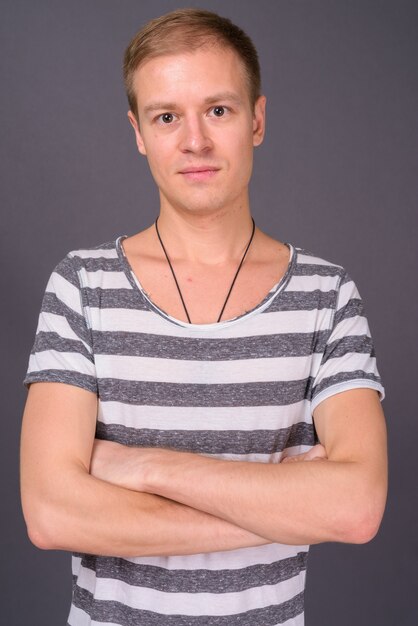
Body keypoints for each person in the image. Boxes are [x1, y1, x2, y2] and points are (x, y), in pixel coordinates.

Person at [20, 8, 388, 626]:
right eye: (167, 117)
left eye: (218, 110)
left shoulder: (327, 295)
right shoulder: (82, 285)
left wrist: (141, 466)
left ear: (257, 120)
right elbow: (53, 515)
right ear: (139, 133)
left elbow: (355, 508)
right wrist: (278, 504)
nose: (195, 141)